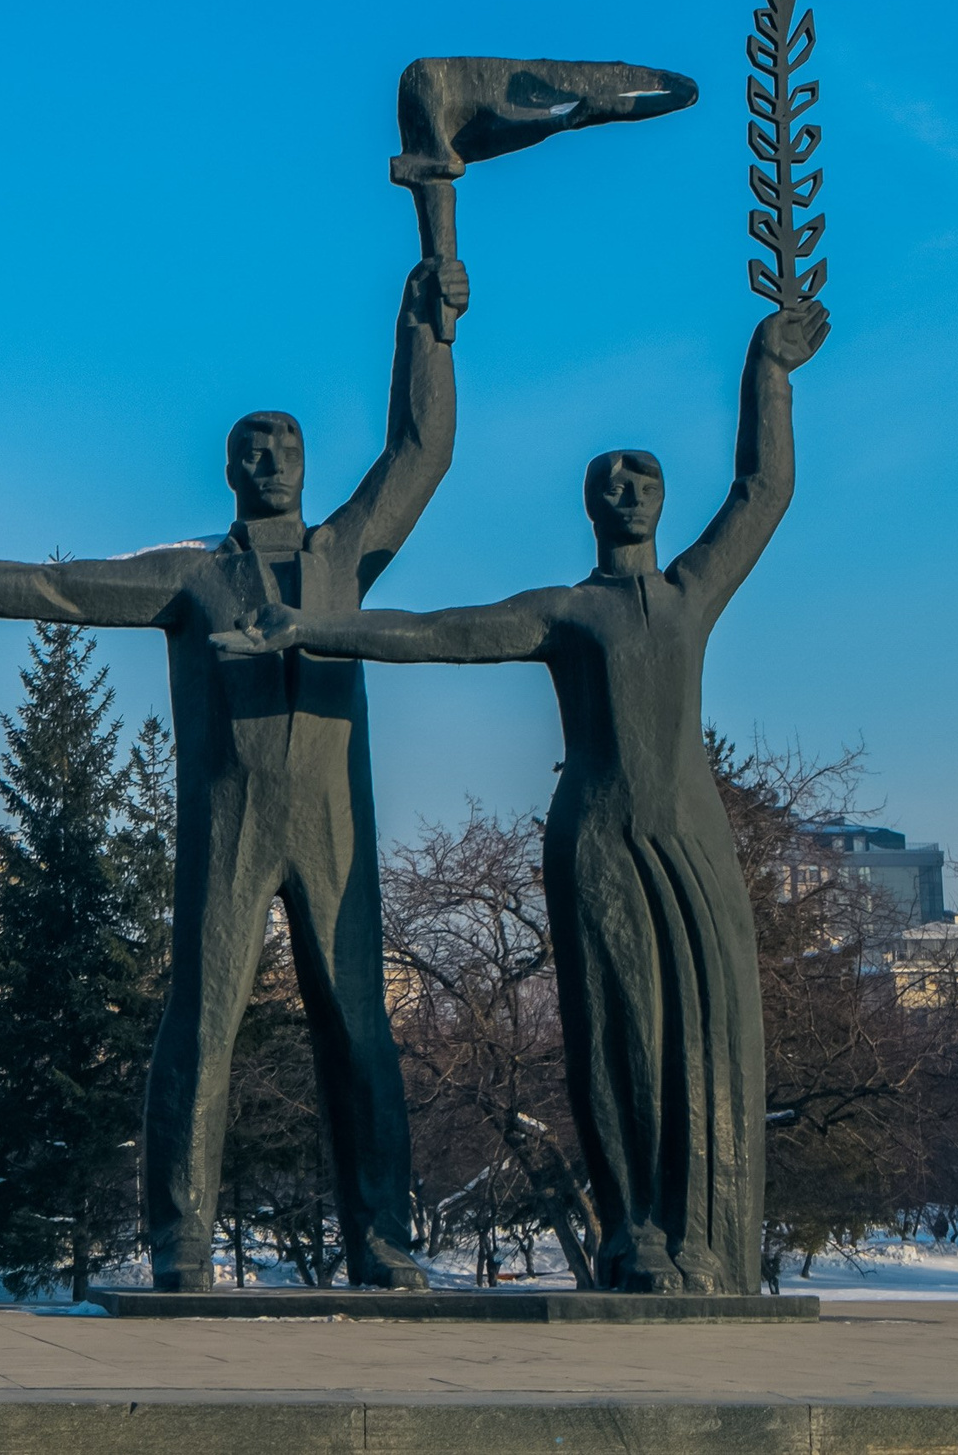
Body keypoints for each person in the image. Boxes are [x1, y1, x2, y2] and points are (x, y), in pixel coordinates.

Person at [0, 259, 468, 1290]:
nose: (270, 457)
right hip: (228, 825)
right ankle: (182, 1241)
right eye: (251, 446)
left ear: (307, 463)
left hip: (334, 826)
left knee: (360, 1029)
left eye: (286, 443)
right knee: (199, 1026)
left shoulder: (346, 553)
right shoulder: (193, 574)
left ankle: (381, 1239)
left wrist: (423, 327)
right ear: (228, 470)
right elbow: (57, 586)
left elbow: (420, 451)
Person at [216, 300, 828, 1293]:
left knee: (709, 1027)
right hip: (597, 836)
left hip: (690, 837)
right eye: (610, 480)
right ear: (588, 505)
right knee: (615, 1030)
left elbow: (763, 491)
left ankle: (707, 1236)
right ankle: (634, 1229)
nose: (627, 490)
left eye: (643, 478)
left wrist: (769, 370)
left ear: (663, 500)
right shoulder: (564, 610)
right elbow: (437, 631)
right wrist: (309, 629)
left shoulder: (690, 592)